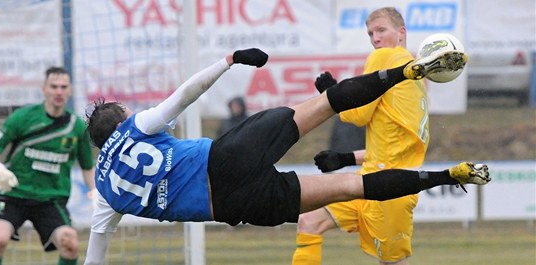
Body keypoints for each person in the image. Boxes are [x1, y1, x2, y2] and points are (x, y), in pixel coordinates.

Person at [82, 48, 488, 265]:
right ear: (121, 122)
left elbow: (94, 258)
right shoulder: (136, 127)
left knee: (352, 187)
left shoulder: (103, 194)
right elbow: (185, 94)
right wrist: (228, 61)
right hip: (227, 159)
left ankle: (447, 177)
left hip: (231, 203)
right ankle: (405, 72)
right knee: (326, 102)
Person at [292, 7, 437, 265]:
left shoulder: (385, 57)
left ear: (401, 33)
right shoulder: (415, 76)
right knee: (310, 221)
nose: (375, 38)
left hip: (390, 187)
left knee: (391, 263)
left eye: (381, 30)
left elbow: (357, 116)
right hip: (371, 177)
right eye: (371, 33)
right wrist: (345, 158)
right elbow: (392, 143)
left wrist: (331, 94)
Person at [0, 67, 95, 265]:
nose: (58, 91)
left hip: (50, 200)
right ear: (44, 89)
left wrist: (95, 193)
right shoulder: (23, 117)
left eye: (63, 87)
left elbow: (87, 166)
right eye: (53, 86)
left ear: (70, 91)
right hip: (13, 194)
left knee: (71, 245)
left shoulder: (76, 127)